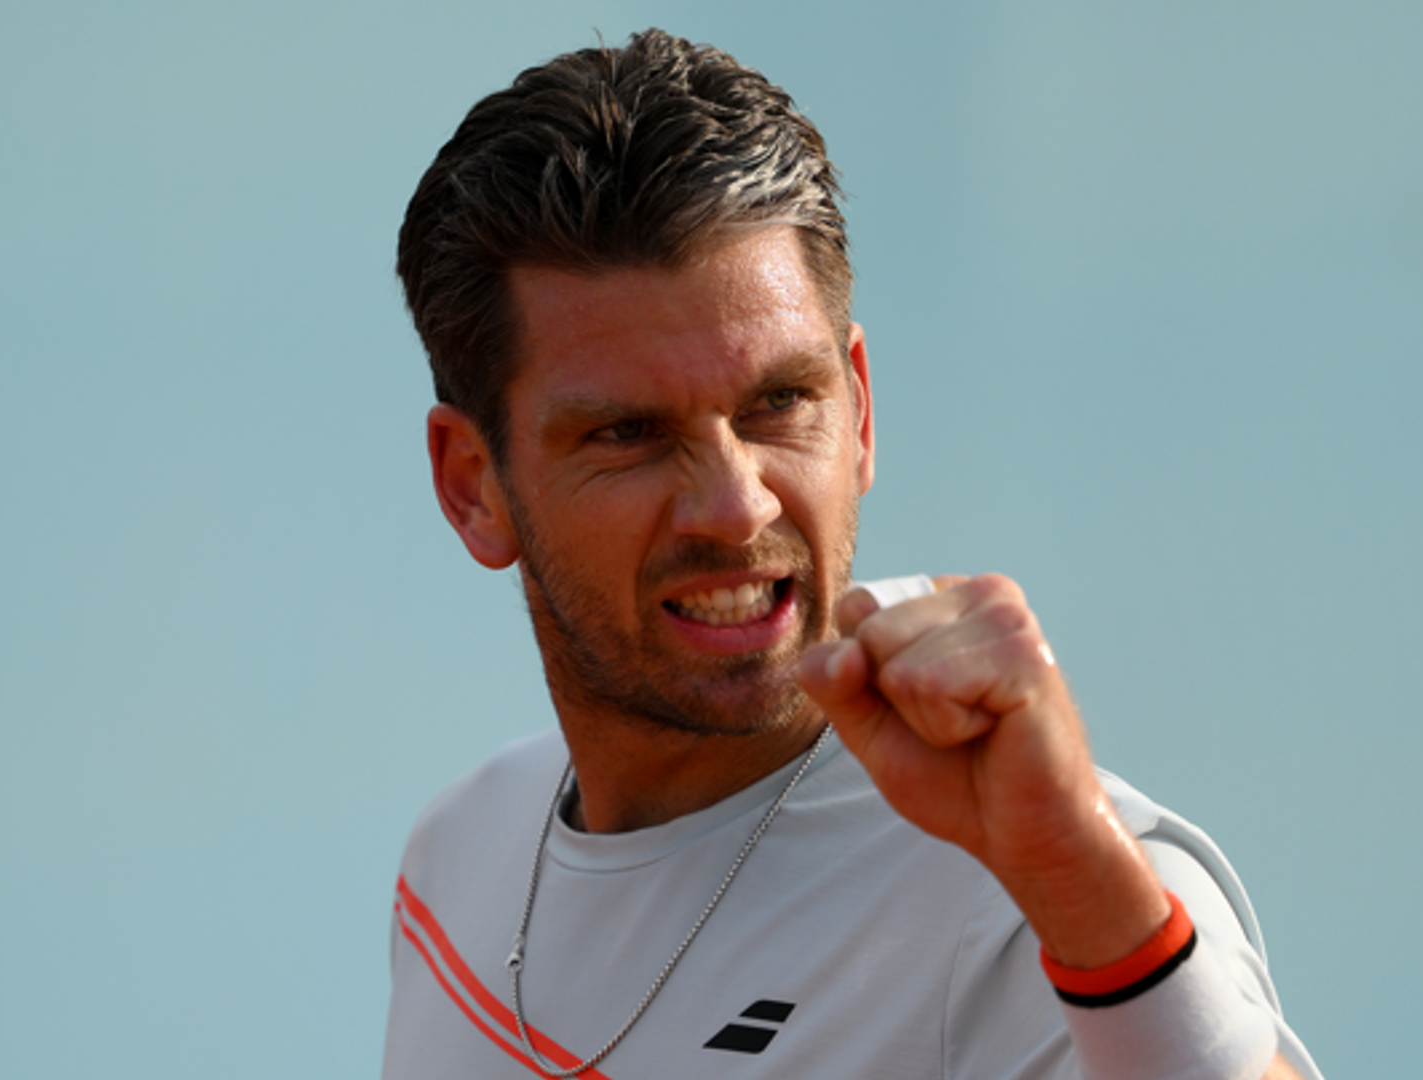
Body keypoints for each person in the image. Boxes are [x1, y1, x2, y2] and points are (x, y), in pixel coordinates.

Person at [385, 28, 1322, 1080]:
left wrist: (1081, 884)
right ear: (473, 485)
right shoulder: (461, 852)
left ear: (860, 411)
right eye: (627, 433)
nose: (735, 507)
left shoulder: (1044, 900)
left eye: (780, 402)